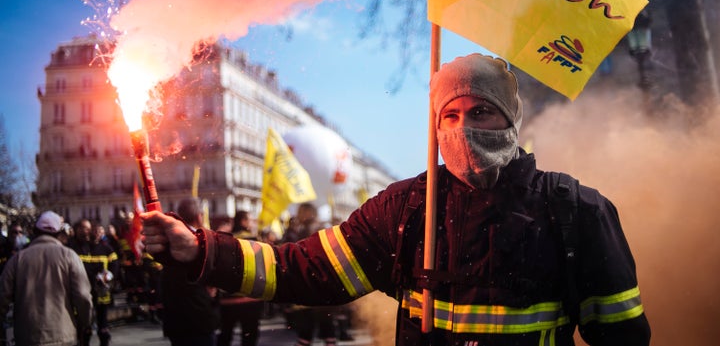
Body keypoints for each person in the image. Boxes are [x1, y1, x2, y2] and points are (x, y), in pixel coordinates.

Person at [143, 54, 651, 345]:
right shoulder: (405, 209)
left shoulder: (577, 212)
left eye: (481, 113)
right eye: (449, 116)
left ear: (511, 122)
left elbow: (624, 342)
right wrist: (200, 250)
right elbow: (301, 270)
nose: (464, 129)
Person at [0, 211, 93, 346]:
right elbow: (83, 296)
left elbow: (2, 295)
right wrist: (85, 322)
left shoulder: (18, 259)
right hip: (63, 335)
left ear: (35, 231)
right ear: (58, 233)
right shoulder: (69, 256)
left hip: (27, 336)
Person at [161, 197, 220, 346]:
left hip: (175, 319)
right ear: (199, 216)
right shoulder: (201, 241)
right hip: (199, 318)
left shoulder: (168, 237)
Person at [281, 203, 338, 346]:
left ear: (307, 213)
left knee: (306, 331)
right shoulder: (324, 230)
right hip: (324, 288)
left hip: (309, 287)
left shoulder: (303, 231)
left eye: (300, 212)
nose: (298, 215)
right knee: (327, 329)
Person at [216, 211, 264, 346]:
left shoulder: (225, 240)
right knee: (249, 337)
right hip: (250, 298)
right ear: (243, 221)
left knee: (225, 335)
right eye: (249, 219)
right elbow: (261, 268)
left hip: (228, 299)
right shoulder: (254, 240)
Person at [68, 219, 119, 346]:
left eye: (99, 231)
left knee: (103, 324)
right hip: (85, 292)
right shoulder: (82, 248)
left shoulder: (106, 248)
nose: (96, 234)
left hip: (102, 292)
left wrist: (108, 276)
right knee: (85, 325)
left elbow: (115, 265)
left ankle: (104, 341)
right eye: (94, 231)